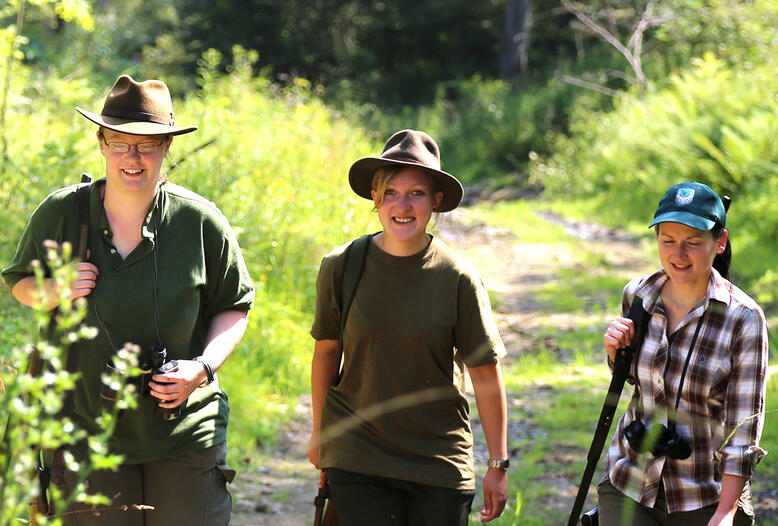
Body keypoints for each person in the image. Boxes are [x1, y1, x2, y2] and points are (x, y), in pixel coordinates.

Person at [2, 75, 254, 525]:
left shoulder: (200, 221)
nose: (132, 157)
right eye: (120, 143)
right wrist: (55, 289)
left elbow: (233, 306)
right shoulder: (62, 212)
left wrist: (202, 368)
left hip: (184, 430)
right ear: (101, 144)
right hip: (85, 430)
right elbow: (21, 283)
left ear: (166, 148)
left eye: (148, 145)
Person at [306, 129, 509, 525]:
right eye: (391, 192)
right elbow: (327, 354)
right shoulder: (343, 266)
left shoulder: (459, 278)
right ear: (375, 198)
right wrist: (320, 434)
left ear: (435, 202)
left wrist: (498, 463)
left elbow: (485, 373)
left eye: (416, 193)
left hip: (438, 461)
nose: (403, 205)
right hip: (358, 454)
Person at [599, 181, 768, 526]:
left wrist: (726, 512)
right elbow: (634, 379)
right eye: (668, 241)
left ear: (719, 242)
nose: (678, 255)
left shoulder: (744, 319)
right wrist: (616, 353)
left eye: (692, 243)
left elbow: (743, 429)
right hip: (630, 481)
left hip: (705, 493)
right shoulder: (639, 295)